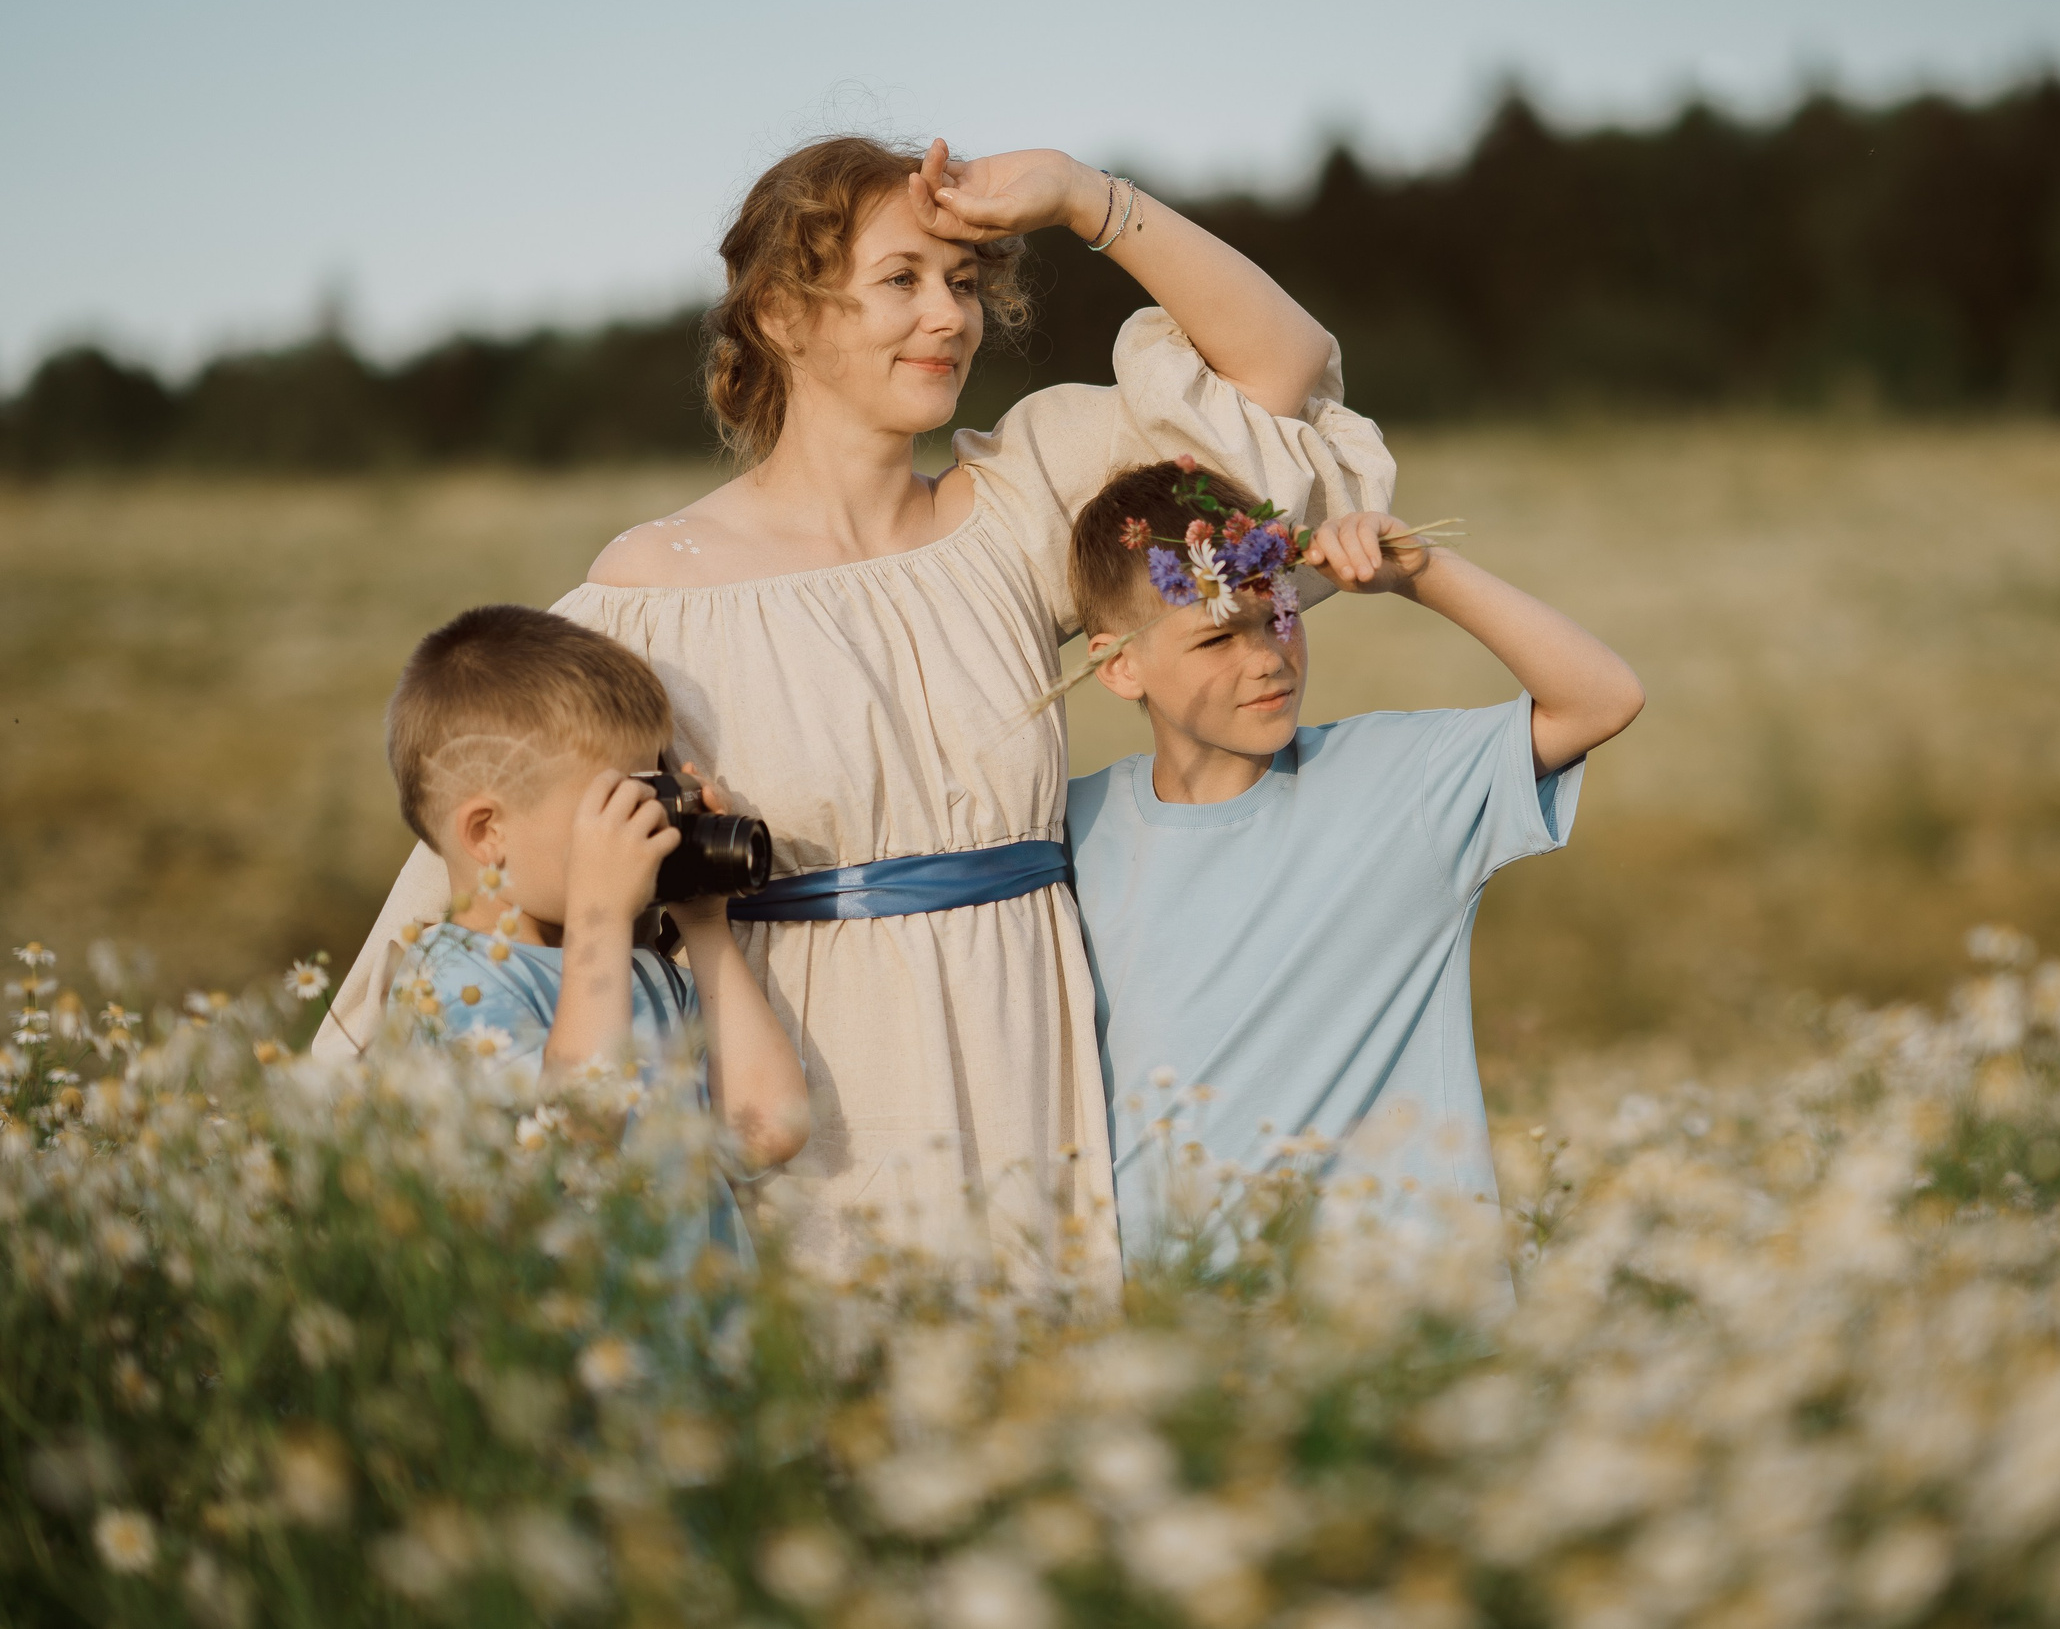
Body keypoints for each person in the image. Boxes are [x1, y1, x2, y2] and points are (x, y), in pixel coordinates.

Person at [321, 138, 1394, 1288]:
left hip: (1030, 1072)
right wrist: (316, 1129)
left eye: (964, 281)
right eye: (901, 280)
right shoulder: (655, 594)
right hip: (807, 1122)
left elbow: (1278, 378)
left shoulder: (1023, 507)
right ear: (783, 312)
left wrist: (1086, 198)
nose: (948, 318)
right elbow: (475, 869)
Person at [1060, 462, 1644, 1262]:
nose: (1266, 657)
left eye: (1280, 614)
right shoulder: (1068, 833)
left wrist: (1420, 573)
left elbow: (1603, 697)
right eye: (1218, 635)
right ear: (1117, 664)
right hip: (1178, 1334)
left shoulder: (1400, 785)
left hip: (1401, 1330)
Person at [379, 604, 810, 1270]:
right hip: (560, 1360)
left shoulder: (643, 975)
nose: (645, 829)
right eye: (613, 808)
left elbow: (770, 1128)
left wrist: (703, 923)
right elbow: (575, 1131)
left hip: (694, 1353)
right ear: (487, 834)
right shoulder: (452, 985)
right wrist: (601, 918)